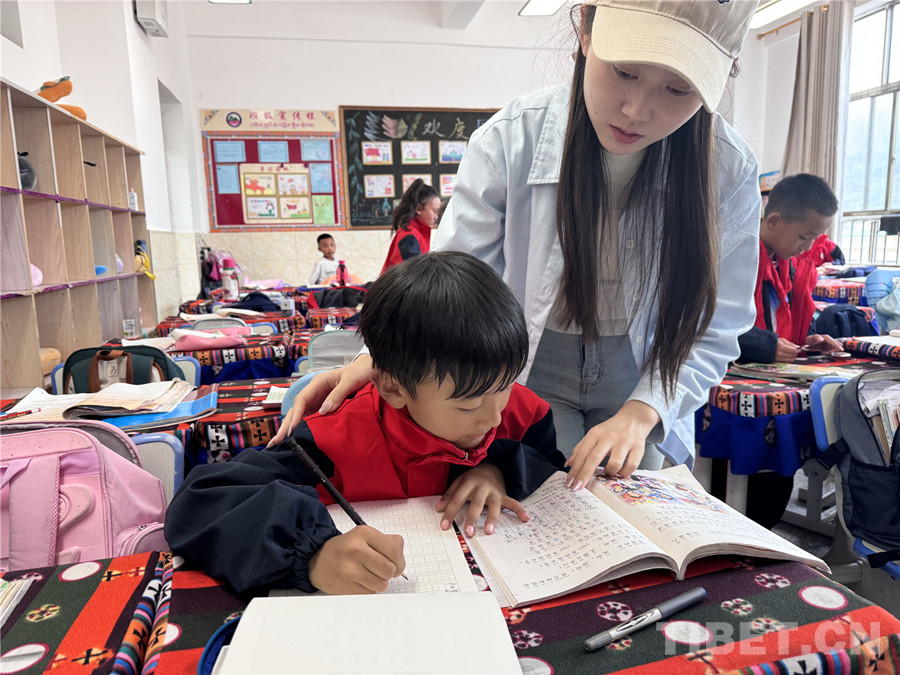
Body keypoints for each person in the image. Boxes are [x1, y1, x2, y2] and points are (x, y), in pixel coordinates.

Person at [274, 0, 762, 489]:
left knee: (634, 508)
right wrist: (378, 359)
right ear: (585, 29)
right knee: (541, 501)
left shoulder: (728, 167)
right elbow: (452, 283)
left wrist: (643, 411)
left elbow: (719, 322)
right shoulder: (511, 139)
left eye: (679, 88)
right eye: (624, 72)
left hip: (649, 369)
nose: (637, 110)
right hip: (532, 361)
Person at [166, 252, 566, 594]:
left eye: (505, 386)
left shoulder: (517, 411)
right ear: (392, 387)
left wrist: (498, 469)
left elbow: (547, 463)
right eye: (468, 406)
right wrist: (313, 554)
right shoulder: (335, 438)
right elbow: (199, 501)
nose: (494, 417)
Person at [738, 174, 843, 363]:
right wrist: (765, 346)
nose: (808, 247)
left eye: (815, 238)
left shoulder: (790, 269)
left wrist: (808, 339)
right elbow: (714, 324)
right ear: (774, 222)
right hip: (738, 368)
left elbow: (789, 317)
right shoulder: (737, 262)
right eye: (804, 237)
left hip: (776, 368)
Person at [380, 179, 441, 273]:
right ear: (418, 208)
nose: (436, 217)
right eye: (435, 211)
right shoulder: (409, 235)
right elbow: (415, 273)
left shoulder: (418, 232)